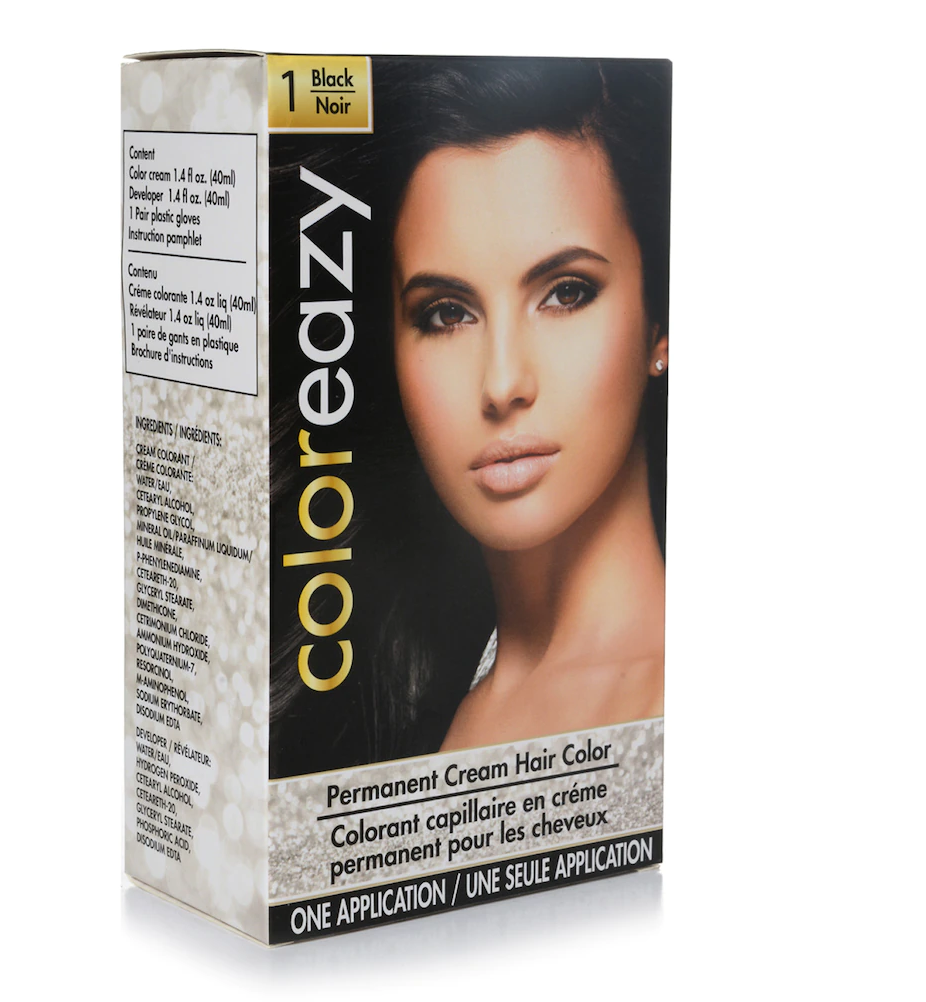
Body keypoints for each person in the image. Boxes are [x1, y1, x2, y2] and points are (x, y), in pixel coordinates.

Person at [270, 57, 670, 768]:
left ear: (661, 324)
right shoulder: (394, 709)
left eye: (567, 293)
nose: (502, 383)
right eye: (447, 313)